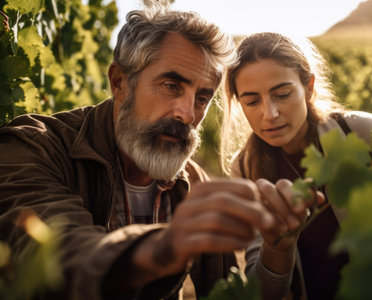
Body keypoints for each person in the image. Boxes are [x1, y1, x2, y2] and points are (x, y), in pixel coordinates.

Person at [0, 4, 294, 300]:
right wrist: (162, 248)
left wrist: (278, 249)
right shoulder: (34, 148)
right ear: (120, 83)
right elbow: (58, 253)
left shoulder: (194, 182)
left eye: (202, 98)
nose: (188, 114)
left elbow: (225, 294)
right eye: (171, 86)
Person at [220, 32, 372, 300]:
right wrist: (277, 248)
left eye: (281, 94)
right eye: (252, 101)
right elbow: (264, 292)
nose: (269, 114)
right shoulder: (245, 169)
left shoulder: (363, 133)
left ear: (309, 87)